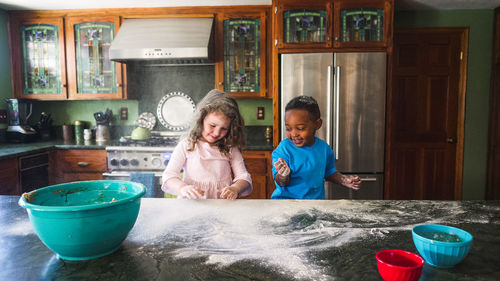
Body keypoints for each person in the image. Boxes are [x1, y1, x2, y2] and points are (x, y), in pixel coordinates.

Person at [162, 89, 252, 200]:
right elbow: (169, 176)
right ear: (201, 118)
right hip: (192, 205)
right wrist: (182, 188)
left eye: (224, 128)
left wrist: (235, 188)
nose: (217, 133)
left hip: (221, 205)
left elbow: (244, 177)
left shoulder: (230, 148)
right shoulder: (187, 145)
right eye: (213, 125)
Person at [272, 95, 361, 199]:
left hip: (314, 204)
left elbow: (329, 172)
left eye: (300, 128)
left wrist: (343, 179)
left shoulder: (324, 148)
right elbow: (281, 182)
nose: (294, 134)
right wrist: (283, 175)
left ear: (317, 124)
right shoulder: (284, 149)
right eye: (288, 128)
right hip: (286, 205)